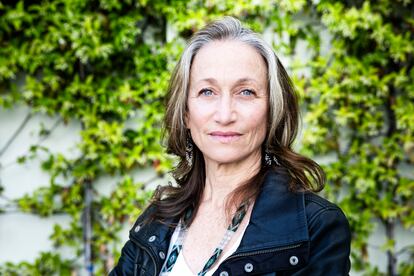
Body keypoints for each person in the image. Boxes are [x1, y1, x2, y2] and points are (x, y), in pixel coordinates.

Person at [110, 16, 351, 276]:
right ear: (186, 113)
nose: (225, 115)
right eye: (207, 92)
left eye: (246, 92)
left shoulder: (315, 228)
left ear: (272, 111)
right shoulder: (155, 224)